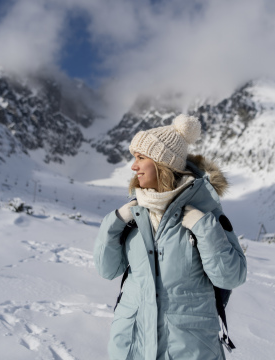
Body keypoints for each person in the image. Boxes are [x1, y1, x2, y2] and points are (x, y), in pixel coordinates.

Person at [94, 114, 247, 360]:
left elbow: (232, 276)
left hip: (188, 349)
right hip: (132, 346)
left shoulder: (205, 213)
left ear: (162, 164)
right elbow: (107, 270)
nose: (133, 166)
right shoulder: (133, 215)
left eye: (141, 158)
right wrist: (113, 223)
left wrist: (204, 228)